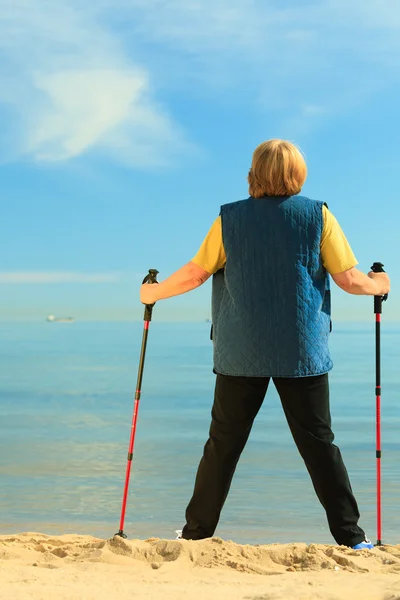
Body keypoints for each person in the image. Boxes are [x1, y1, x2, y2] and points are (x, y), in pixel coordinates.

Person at [140, 139, 390, 549]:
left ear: (254, 172)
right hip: (301, 350)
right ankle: (352, 539)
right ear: (298, 173)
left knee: (223, 444)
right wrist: (379, 284)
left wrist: (153, 293)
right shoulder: (318, 216)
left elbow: (195, 274)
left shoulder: (229, 219)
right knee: (319, 444)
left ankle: (196, 534)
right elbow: (349, 280)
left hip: (241, 350)